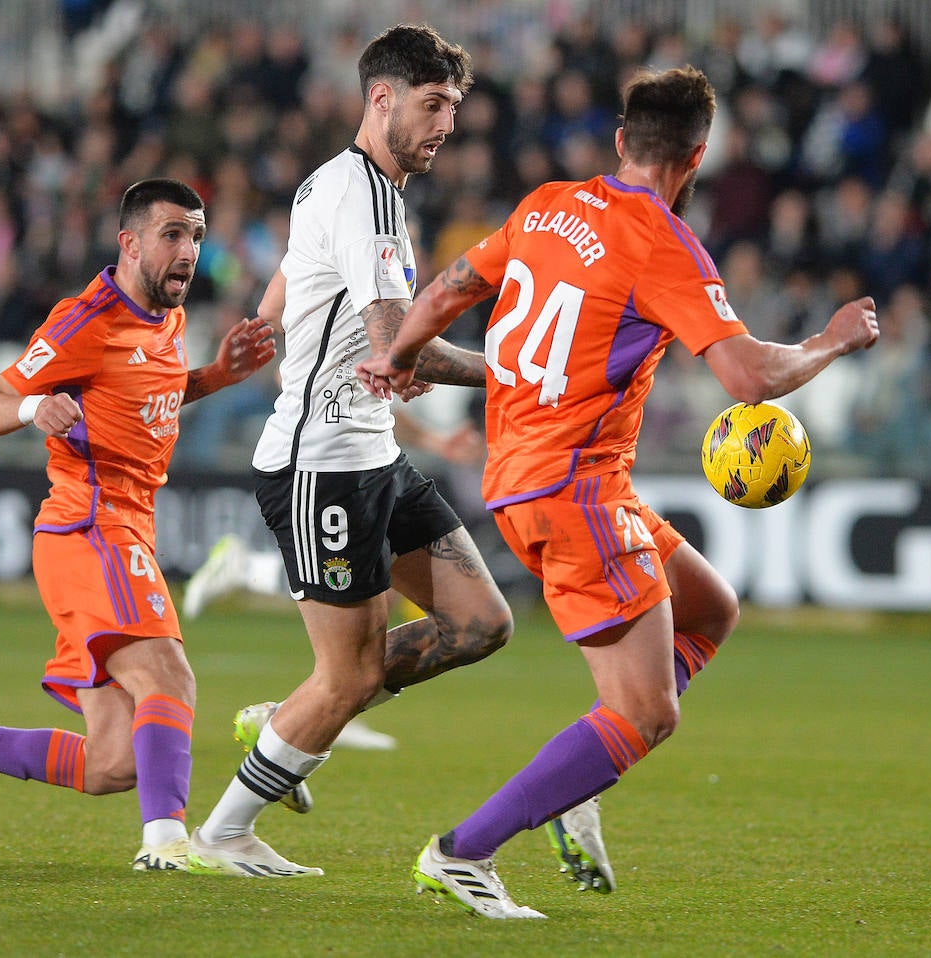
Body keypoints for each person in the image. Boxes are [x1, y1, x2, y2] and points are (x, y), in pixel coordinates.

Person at [358, 65, 879, 918]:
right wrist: (830, 340)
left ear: (617, 140)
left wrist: (402, 352)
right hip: (574, 491)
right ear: (698, 158)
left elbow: (455, 285)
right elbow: (748, 376)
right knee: (646, 712)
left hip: (530, 476)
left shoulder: (549, 204)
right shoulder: (664, 243)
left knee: (710, 609)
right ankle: (463, 852)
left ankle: (584, 777)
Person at [0, 177, 276, 871]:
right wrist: (33, 411)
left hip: (123, 530)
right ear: (131, 241)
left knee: (113, 764)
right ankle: (166, 844)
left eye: (198, 237)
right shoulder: (86, 319)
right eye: (174, 234)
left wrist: (214, 378)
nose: (188, 251)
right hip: (91, 525)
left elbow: (149, 392)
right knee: (169, 680)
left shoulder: (165, 317)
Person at [184, 24, 515, 879]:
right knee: (351, 674)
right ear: (382, 98)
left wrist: (312, 343)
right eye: (433, 104)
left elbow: (294, 294)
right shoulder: (363, 194)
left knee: (480, 624)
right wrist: (528, 377)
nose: (446, 123)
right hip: (320, 467)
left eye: (455, 107)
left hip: (371, 458)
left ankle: (288, 716)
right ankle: (222, 833)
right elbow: (394, 343)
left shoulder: (342, 187)